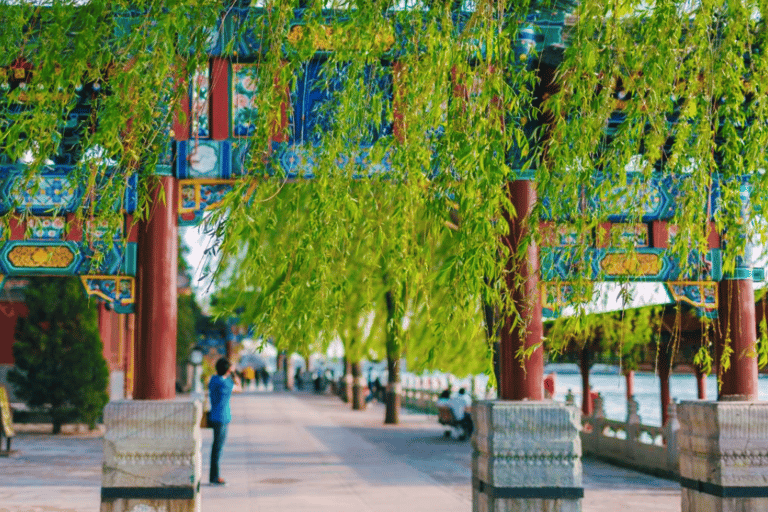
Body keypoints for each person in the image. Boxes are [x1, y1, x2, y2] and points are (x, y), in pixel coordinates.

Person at [208, 357, 241, 486]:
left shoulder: (214, 380)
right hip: (222, 418)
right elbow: (239, 387)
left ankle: (213, 476)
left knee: (216, 447)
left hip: (214, 416)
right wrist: (233, 373)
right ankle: (215, 477)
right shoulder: (226, 384)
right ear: (227, 370)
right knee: (218, 448)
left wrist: (229, 371)